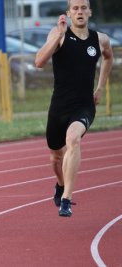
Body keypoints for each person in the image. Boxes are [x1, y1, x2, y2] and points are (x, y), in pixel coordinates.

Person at [35, 0, 113, 217]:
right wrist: (59, 37)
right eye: (75, 9)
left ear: (90, 12)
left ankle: (66, 199)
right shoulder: (57, 33)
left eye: (83, 8)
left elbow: (109, 57)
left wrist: (100, 87)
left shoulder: (100, 40)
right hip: (59, 105)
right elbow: (39, 61)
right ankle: (60, 185)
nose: (79, 12)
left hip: (84, 106)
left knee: (74, 140)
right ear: (68, 13)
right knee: (55, 157)